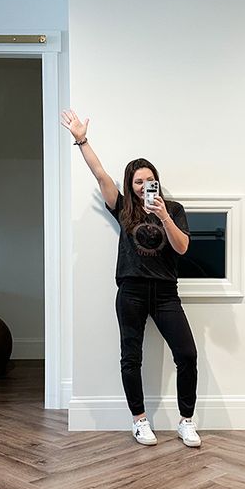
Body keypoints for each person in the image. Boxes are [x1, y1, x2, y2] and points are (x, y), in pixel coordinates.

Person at [61, 109, 201, 448]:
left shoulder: (173, 209)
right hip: (132, 291)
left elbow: (182, 249)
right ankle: (140, 422)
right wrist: (81, 138)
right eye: (138, 182)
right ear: (130, 184)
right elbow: (99, 173)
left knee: (187, 355)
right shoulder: (122, 207)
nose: (143, 187)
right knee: (131, 357)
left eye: (148, 181)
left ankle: (186, 422)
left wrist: (164, 216)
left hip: (166, 293)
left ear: (156, 182)